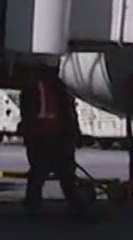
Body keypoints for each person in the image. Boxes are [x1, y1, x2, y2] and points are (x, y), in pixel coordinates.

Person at [18, 69, 88, 216]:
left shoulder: (58, 89)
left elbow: (68, 112)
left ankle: (75, 205)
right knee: (41, 172)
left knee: (63, 173)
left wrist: (75, 134)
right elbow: (28, 113)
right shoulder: (33, 89)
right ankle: (34, 204)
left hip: (55, 136)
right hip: (42, 136)